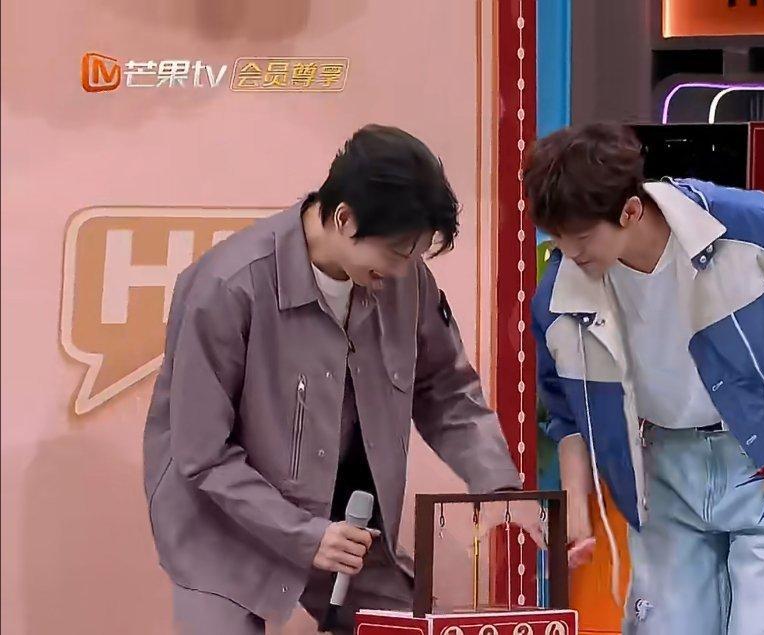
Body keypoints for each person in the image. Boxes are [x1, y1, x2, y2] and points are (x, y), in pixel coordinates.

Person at [144, 124, 530, 634]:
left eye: (416, 256)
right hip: (226, 531)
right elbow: (202, 453)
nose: (405, 271)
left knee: (411, 625)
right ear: (344, 218)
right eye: (398, 252)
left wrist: (499, 486)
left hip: (349, 528)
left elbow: (446, 390)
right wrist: (304, 535)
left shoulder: (405, 279)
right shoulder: (228, 285)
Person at [524, 123, 764, 635]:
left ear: (630, 211)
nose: (569, 252)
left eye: (582, 238)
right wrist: (575, 506)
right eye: (558, 239)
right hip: (662, 464)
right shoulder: (561, 293)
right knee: (667, 624)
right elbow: (567, 409)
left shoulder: (743, 224)